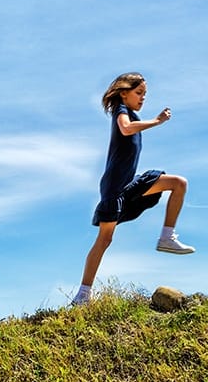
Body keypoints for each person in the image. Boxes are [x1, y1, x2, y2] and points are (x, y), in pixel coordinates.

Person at [72, 72, 194, 305]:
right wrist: (157, 121)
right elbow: (126, 129)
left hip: (130, 183)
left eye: (145, 94)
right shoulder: (121, 111)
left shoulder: (132, 114)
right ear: (123, 93)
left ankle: (167, 238)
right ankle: (83, 295)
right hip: (114, 188)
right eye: (139, 93)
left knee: (179, 183)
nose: (143, 98)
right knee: (104, 239)